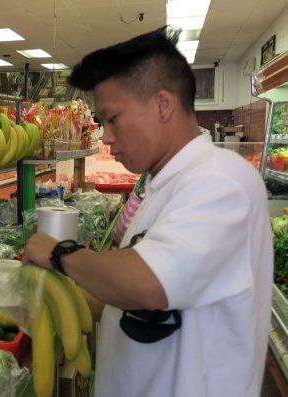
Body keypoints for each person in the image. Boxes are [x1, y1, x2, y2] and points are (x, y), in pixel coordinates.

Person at [22, 26, 273, 397]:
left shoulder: (221, 181)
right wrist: (55, 286)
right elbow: (128, 302)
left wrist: (61, 254)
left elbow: (147, 284)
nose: (105, 136)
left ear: (162, 105)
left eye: (112, 119)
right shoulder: (163, 186)